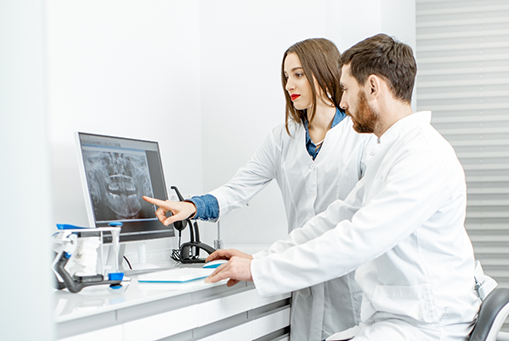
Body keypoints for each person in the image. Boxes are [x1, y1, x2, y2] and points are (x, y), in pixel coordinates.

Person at [204, 33, 481, 341]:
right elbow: (337, 217)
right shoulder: (390, 152)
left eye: (346, 89)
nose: (343, 101)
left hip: (428, 326)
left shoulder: (423, 156)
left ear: (373, 87)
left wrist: (261, 271)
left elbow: (358, 238)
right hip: (396, 320)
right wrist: (262, 259)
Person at [144, 38, 374, 340]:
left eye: (298, 74)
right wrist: (192, 206)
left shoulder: (361, 138)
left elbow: (366, 218)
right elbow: (239, 187)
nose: (289, 84)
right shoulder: (283, 138)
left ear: (323, 73)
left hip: (350, 285)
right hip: (300, 282)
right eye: (286, 76)